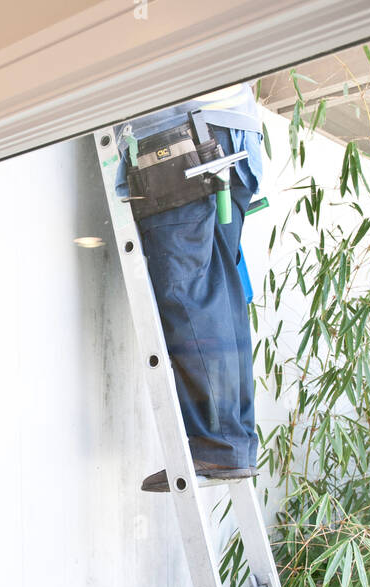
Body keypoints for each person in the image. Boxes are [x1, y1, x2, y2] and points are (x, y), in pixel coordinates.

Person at [113, 82, 264, 491]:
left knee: (187, 296)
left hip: (182, 143)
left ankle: (216, 445)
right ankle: (232, 444)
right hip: (229, 136)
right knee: (218, 298)